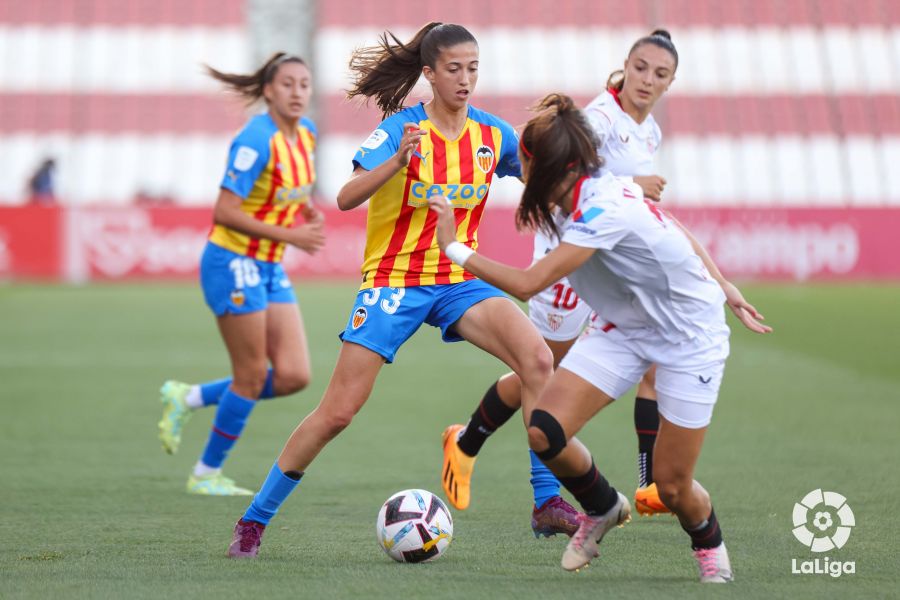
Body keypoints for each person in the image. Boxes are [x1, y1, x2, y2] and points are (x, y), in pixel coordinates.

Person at [225, 23, 553, 558]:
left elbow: (544, 179)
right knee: (338, 413)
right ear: (429, 73)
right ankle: (254, 520)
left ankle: (546, 500)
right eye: (453, 68)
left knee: (537, 360)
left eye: (473, 68)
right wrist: (398, 162)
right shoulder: (399, 130)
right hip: (394, 282)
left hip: (457, 279)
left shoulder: (492, 135)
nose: (465, 78)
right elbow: (346, 196)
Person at [429, 93, 772, 582]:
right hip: (624, 327)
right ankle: (602, 506)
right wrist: (724, 282)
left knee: (672, 487)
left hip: (689, 338)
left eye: (524, 162)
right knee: (545, 431)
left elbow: (528, 284)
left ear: (549, 168)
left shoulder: (601, 211)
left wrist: (452, 247)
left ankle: (708, 542)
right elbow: (670, 225)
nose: (519, 170)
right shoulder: (582, 192)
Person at [442, 29, 678, 525]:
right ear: (626, 65)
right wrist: (634, 184)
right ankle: (468, 442)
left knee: (654, 354)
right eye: (640, 68)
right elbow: (557, 173)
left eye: (660, 74)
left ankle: (649, 484)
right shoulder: (598, 120)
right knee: (541, 368)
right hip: (565, 260)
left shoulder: (650, 130)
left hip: (610, 261)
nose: (646, 80)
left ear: (670, 82)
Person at [157, 53, 326, 496]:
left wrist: (305, 211)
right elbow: (225, 211)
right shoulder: (255, 139)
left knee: (293, 375)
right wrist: (292, 234)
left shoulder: (307, 133)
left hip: (268, 264)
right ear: (268, 90)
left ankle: (189, 397)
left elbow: (289, 190)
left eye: (304, 84)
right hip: (233, 262)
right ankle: (205, 473)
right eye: (287, 84)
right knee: (250, 375)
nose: (297, 92)